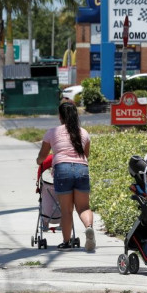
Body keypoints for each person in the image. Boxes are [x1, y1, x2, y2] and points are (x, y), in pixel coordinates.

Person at [36, 101, 95, 252]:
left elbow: (42, 157)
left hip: (62, 170)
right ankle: (89, 228)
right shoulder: (84, 133)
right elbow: (85, 155)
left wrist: (39, 161)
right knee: (83, 207)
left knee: (66, 210)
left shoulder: (52, 132)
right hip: (82, 169)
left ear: (60, 116)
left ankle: (66, 242)